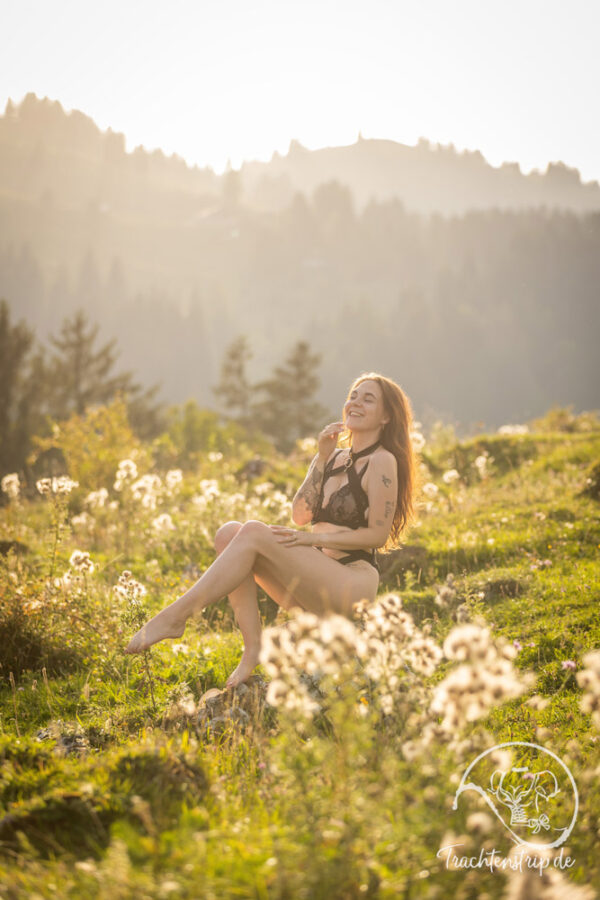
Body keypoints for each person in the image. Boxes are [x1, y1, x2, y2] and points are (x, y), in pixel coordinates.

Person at [125, 372, 418, 687]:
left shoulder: (382, 460)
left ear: (386, 416)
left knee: (251, 530)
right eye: (354, 395)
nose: (356, 402)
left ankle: (176, 616)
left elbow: (377, 535)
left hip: (351, 583)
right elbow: (300, 514)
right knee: (229, 533)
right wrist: (320, 458)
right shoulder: (333, 458)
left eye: (368, 398)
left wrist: (314, 540)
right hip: (314, 582)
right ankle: (253, 647)